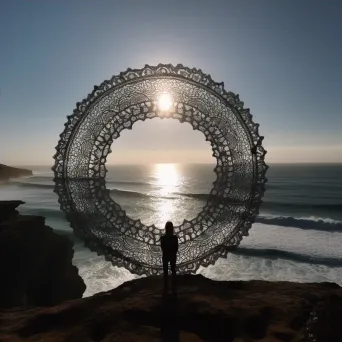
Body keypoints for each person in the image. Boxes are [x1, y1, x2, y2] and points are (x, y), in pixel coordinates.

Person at [160, 221, 178, 292]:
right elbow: (176, 248)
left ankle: (166, 287)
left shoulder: (163, 238)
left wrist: (168, 251)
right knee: (173, 270)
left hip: (166, 255)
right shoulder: (174, 237)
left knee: (166, 271)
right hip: (172, 255)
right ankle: (173, 287)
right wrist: (172, 252)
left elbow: (162, 248)